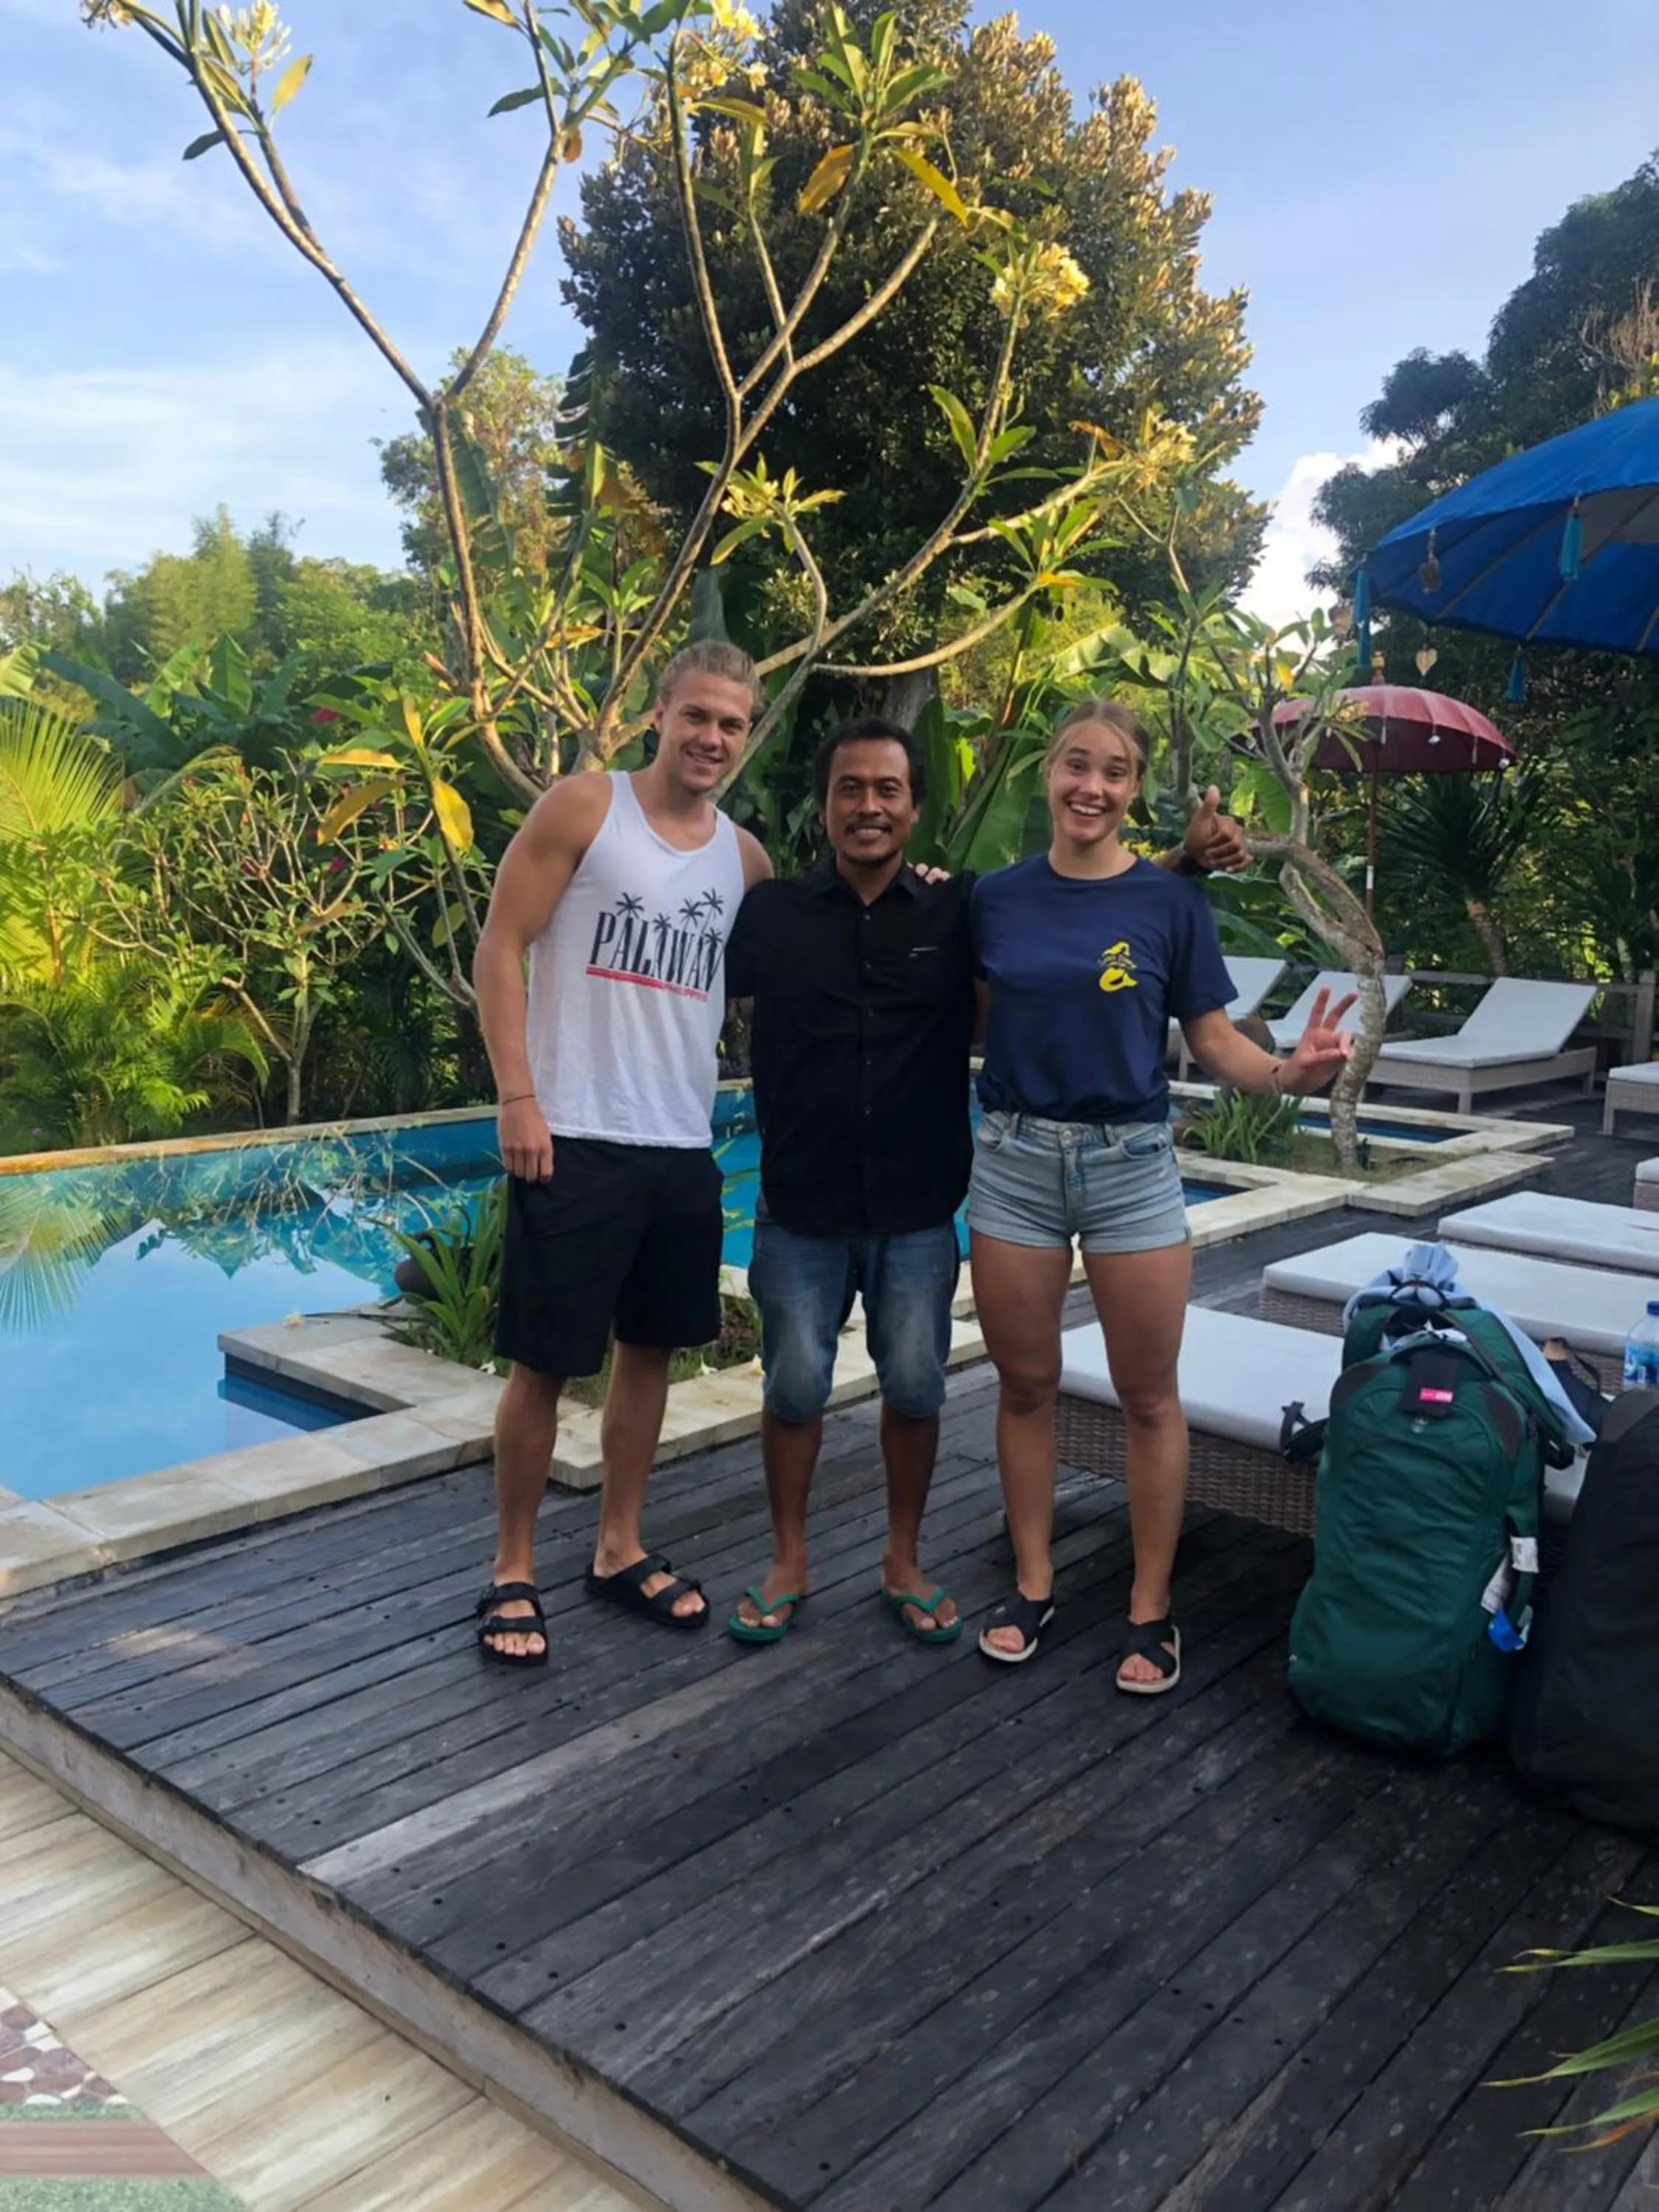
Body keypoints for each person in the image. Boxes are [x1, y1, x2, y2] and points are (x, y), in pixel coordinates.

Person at [722, 713, 1252, 1646]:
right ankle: (788, 1561)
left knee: (919, 1387)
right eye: (851, 789)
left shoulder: (953, 907)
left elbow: (1088, 904)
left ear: (916, 809)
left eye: (889, 790)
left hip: (921, 1200)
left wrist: (1191, 860)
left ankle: (904, 1559)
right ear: (824, 805)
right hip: (800, 1202)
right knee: (795, 1385)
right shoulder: (772, 915)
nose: (870, 806)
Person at [969, 698, 1353, 1691]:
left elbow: (1212, 1036)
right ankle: (1031, 1581)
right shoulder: (995, 899)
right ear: (1046, 774)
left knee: (1147, 1395)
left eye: (1113, 772)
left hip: (1129, 1163)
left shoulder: (1168, 902)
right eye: (1074, 766)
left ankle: (1148, 1609)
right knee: (1024, 1386)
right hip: (1012, 1159)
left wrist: (1288, 1075)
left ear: (1133, 788)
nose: (1090, 787)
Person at [470, 641, 772, 1666]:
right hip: (575, 1135)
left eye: (731, 724)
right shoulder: (583, 809)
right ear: (659, 713)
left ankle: (617, 1546)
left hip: (680, 1145)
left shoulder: (744, 860)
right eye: (697, 716)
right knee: (544, 1365)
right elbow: (500, 945)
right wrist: (519, 1096)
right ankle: (512, 1567)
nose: (712, 738)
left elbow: (806, 967)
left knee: (650, 1354)